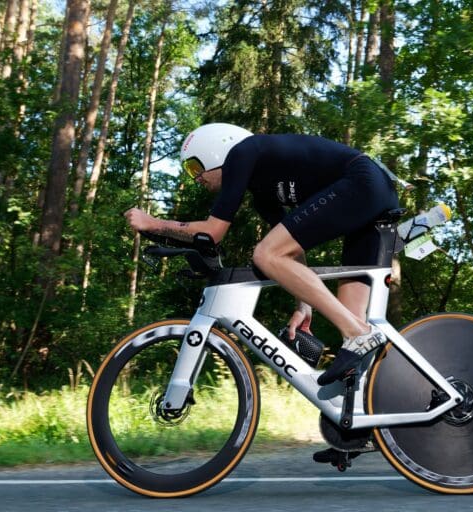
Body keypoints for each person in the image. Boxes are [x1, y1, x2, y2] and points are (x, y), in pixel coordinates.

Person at [124, 122, 399, 386]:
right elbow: (291, 250)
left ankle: (358, 334)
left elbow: (213, 231)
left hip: (362, 181)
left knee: (265, 254)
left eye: (195, 167)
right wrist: (304, 305)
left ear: (214, 151)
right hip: (372, 192)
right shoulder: (263, 193)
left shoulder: (242, 152)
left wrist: (154, 223)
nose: (196, 177)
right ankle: (366, 409)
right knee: (351, 320)